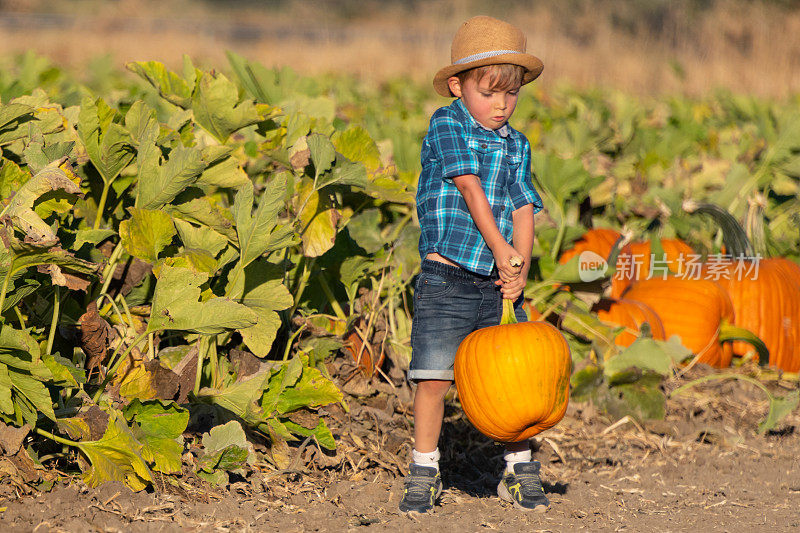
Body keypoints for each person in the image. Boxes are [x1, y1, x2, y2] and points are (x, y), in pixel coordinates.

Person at [398, 15, 548, 514]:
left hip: (496, 282)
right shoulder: (446, 124)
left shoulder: (518, 144)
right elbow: (470, 187)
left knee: (514, 381)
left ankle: (519, 469)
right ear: (458, 86)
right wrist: (500, 247)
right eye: (489, 93)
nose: (501, 105)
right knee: (434, 378)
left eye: (512, 94)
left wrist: (518, 264)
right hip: (448, 277)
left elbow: (523, 204)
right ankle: (424, 469)